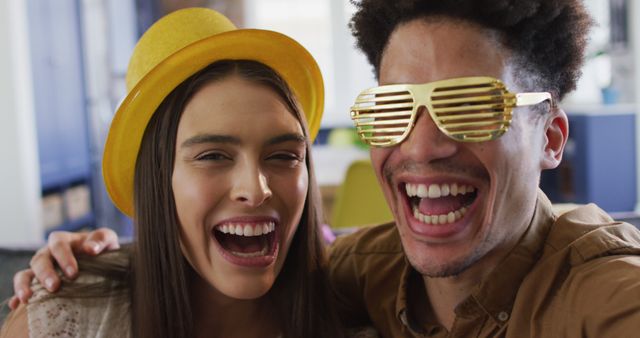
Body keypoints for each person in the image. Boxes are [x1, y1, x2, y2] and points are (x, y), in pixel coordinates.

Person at [9, 0, 640, 337]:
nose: (422, 147)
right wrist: (91, 259)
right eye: (395, 108)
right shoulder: (356, 273)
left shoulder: (599, 290)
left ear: (553, 135)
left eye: (470, 106)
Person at [1, 7, 348, 338]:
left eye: (284, 155)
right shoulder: (60, 323)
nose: (256, 190)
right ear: (158, 180)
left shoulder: (358, 306)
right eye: (213, 155)